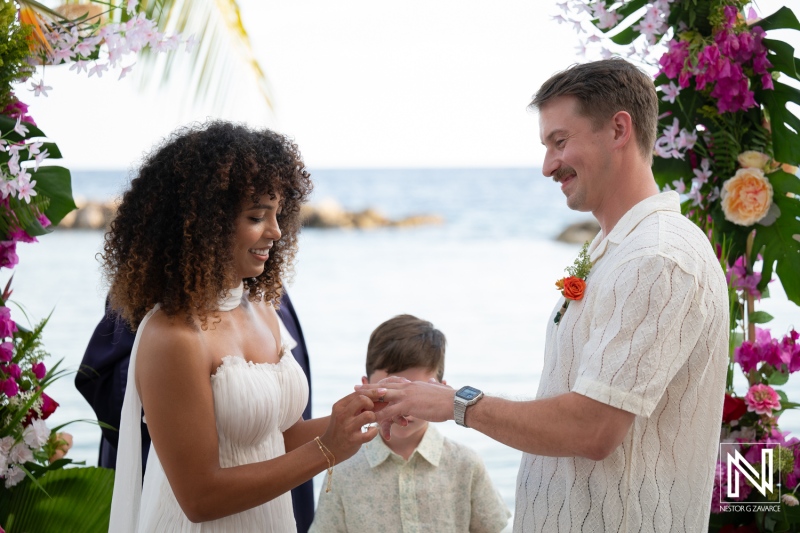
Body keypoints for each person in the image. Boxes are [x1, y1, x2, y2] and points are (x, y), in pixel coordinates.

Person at [358, 58, 729, 532]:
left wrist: (456, 404)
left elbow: (592, 429)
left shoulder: (657, 258)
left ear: (619, 130)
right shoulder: (616, 250)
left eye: (560, 141)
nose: (548, 166)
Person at [104, 121, 383, 532]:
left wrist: (362, 414)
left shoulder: (266, 310)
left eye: (278, 215)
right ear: (205, 224)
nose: (276, 231)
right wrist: (326, 451)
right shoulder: (173, 337)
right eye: (257, 216)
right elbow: (200, 497)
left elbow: (277, 438)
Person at [75, 289, 317, 532]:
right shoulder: (171, 331)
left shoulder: (264, 306)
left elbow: (284, 434)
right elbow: (198, 497)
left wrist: (342, 425)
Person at [310, 314, 510, 533]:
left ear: (441, 390)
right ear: (365, 387)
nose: (403, 407)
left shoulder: (466, 463)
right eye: (389, 392)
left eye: (417, 394)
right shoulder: (343, 468)